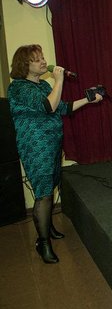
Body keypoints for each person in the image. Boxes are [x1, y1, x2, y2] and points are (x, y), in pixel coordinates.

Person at [8, 44, 103, 264]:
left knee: (49, 186)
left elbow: (62, 108)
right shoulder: (19, 88)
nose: (44, 61)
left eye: (43, 57)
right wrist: (59, 79)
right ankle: (43, 243)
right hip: (35, 147)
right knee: (43, 192)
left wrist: (89, 99)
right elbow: (48, 107)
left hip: (51, 144)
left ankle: (48, 227)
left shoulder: (42, 85)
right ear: (25, 65)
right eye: (37, 59)